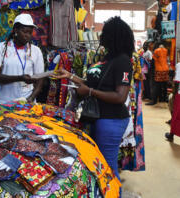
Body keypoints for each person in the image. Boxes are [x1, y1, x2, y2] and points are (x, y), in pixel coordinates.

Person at [52, 16, 134, 190]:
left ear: (113, 36)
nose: (101, 36)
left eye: (105, 33)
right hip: (100, 117)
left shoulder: (122, 61)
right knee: (100, 164)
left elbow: (120, 96)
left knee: (107, 165)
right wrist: (70, 76)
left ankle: (114, 193)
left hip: (111, 119)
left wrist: (89, 92)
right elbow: (93, 83)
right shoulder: (108, 59)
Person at [0, 13, 45, 105]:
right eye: (24, 32)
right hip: (5, 102)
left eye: (30, 32)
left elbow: (40, 79)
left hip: (27, 102)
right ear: (15, 30)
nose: (27, 35)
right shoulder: (2, 47)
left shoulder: (35, 51)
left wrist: (31, 98)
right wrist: (19, 78)